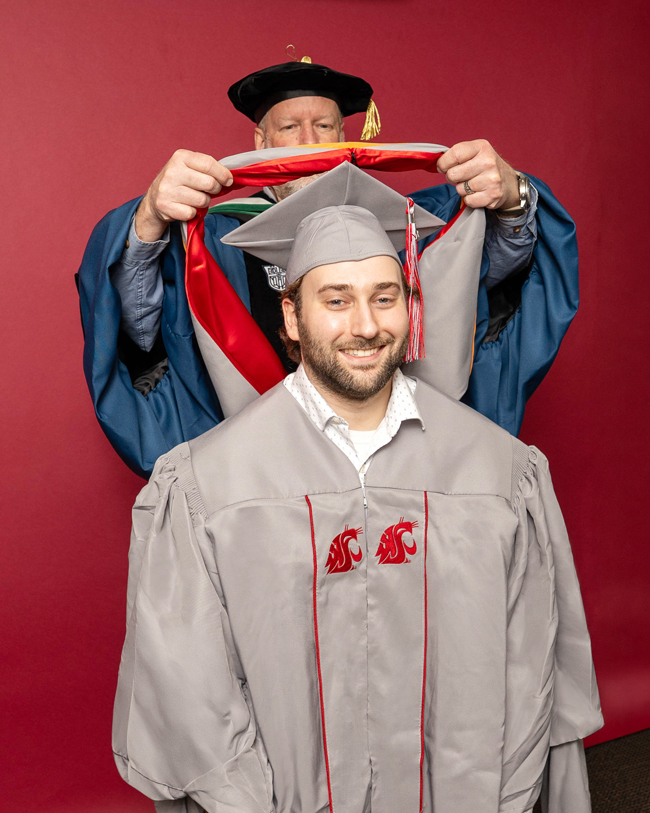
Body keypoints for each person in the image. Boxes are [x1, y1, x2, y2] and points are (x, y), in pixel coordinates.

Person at [113, 164, 601, 813]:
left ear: (410, 303)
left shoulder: (499, 471)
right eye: (336, 299)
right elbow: (187, 694)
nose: (365, 325)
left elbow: (535, 674)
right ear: (291, 315)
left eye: (384, 295)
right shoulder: (208, 483)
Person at [78, 57, 578, 478]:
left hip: (399, 474)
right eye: (291, 127)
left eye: (325, 127)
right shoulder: (213, 239)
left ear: (345, 135)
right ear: (260, 142)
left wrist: (512, 197)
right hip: (264, 480)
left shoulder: (404, 223)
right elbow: (137, 329)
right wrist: (148, 218)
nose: (311, 142)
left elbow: (492, 282)